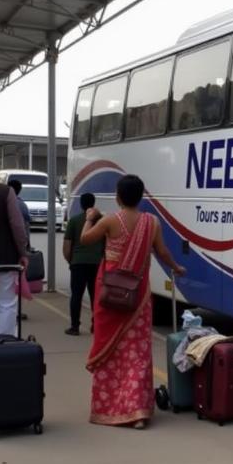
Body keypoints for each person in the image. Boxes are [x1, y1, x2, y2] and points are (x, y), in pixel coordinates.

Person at [80, 174, 185, 428]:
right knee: (136, 354)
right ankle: (137, 412)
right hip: (137, 297)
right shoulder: (152, 223)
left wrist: (88, 219)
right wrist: (176, 267)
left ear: (117, 196)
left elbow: (85, 240)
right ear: (141, 197)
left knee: (111, 352)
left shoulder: (108, 221)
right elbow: (162, 252)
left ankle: (108, 408)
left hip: (109, 295)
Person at [0, 156, 29, 336]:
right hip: (4, 261)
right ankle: (4, 343)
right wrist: (23, 252)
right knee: (6, 304)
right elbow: (17, 226)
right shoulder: (6, 192)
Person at [63, 192, 104, 336]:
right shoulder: (102, 221)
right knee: (96, 296)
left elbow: (67, 246)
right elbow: (106, 246)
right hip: (96, 264)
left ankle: (74, 326)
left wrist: (71, 261)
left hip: (78, 263)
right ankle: (96, 326)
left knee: (76, 295)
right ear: (93, 203)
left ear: (81, 204)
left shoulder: (74, 221)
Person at [7, 179, 31, 250]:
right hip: (18, 244)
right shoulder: (22, 205)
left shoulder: (2, 201)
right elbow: (25, 227)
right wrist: (27, 245)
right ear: (19, 190)